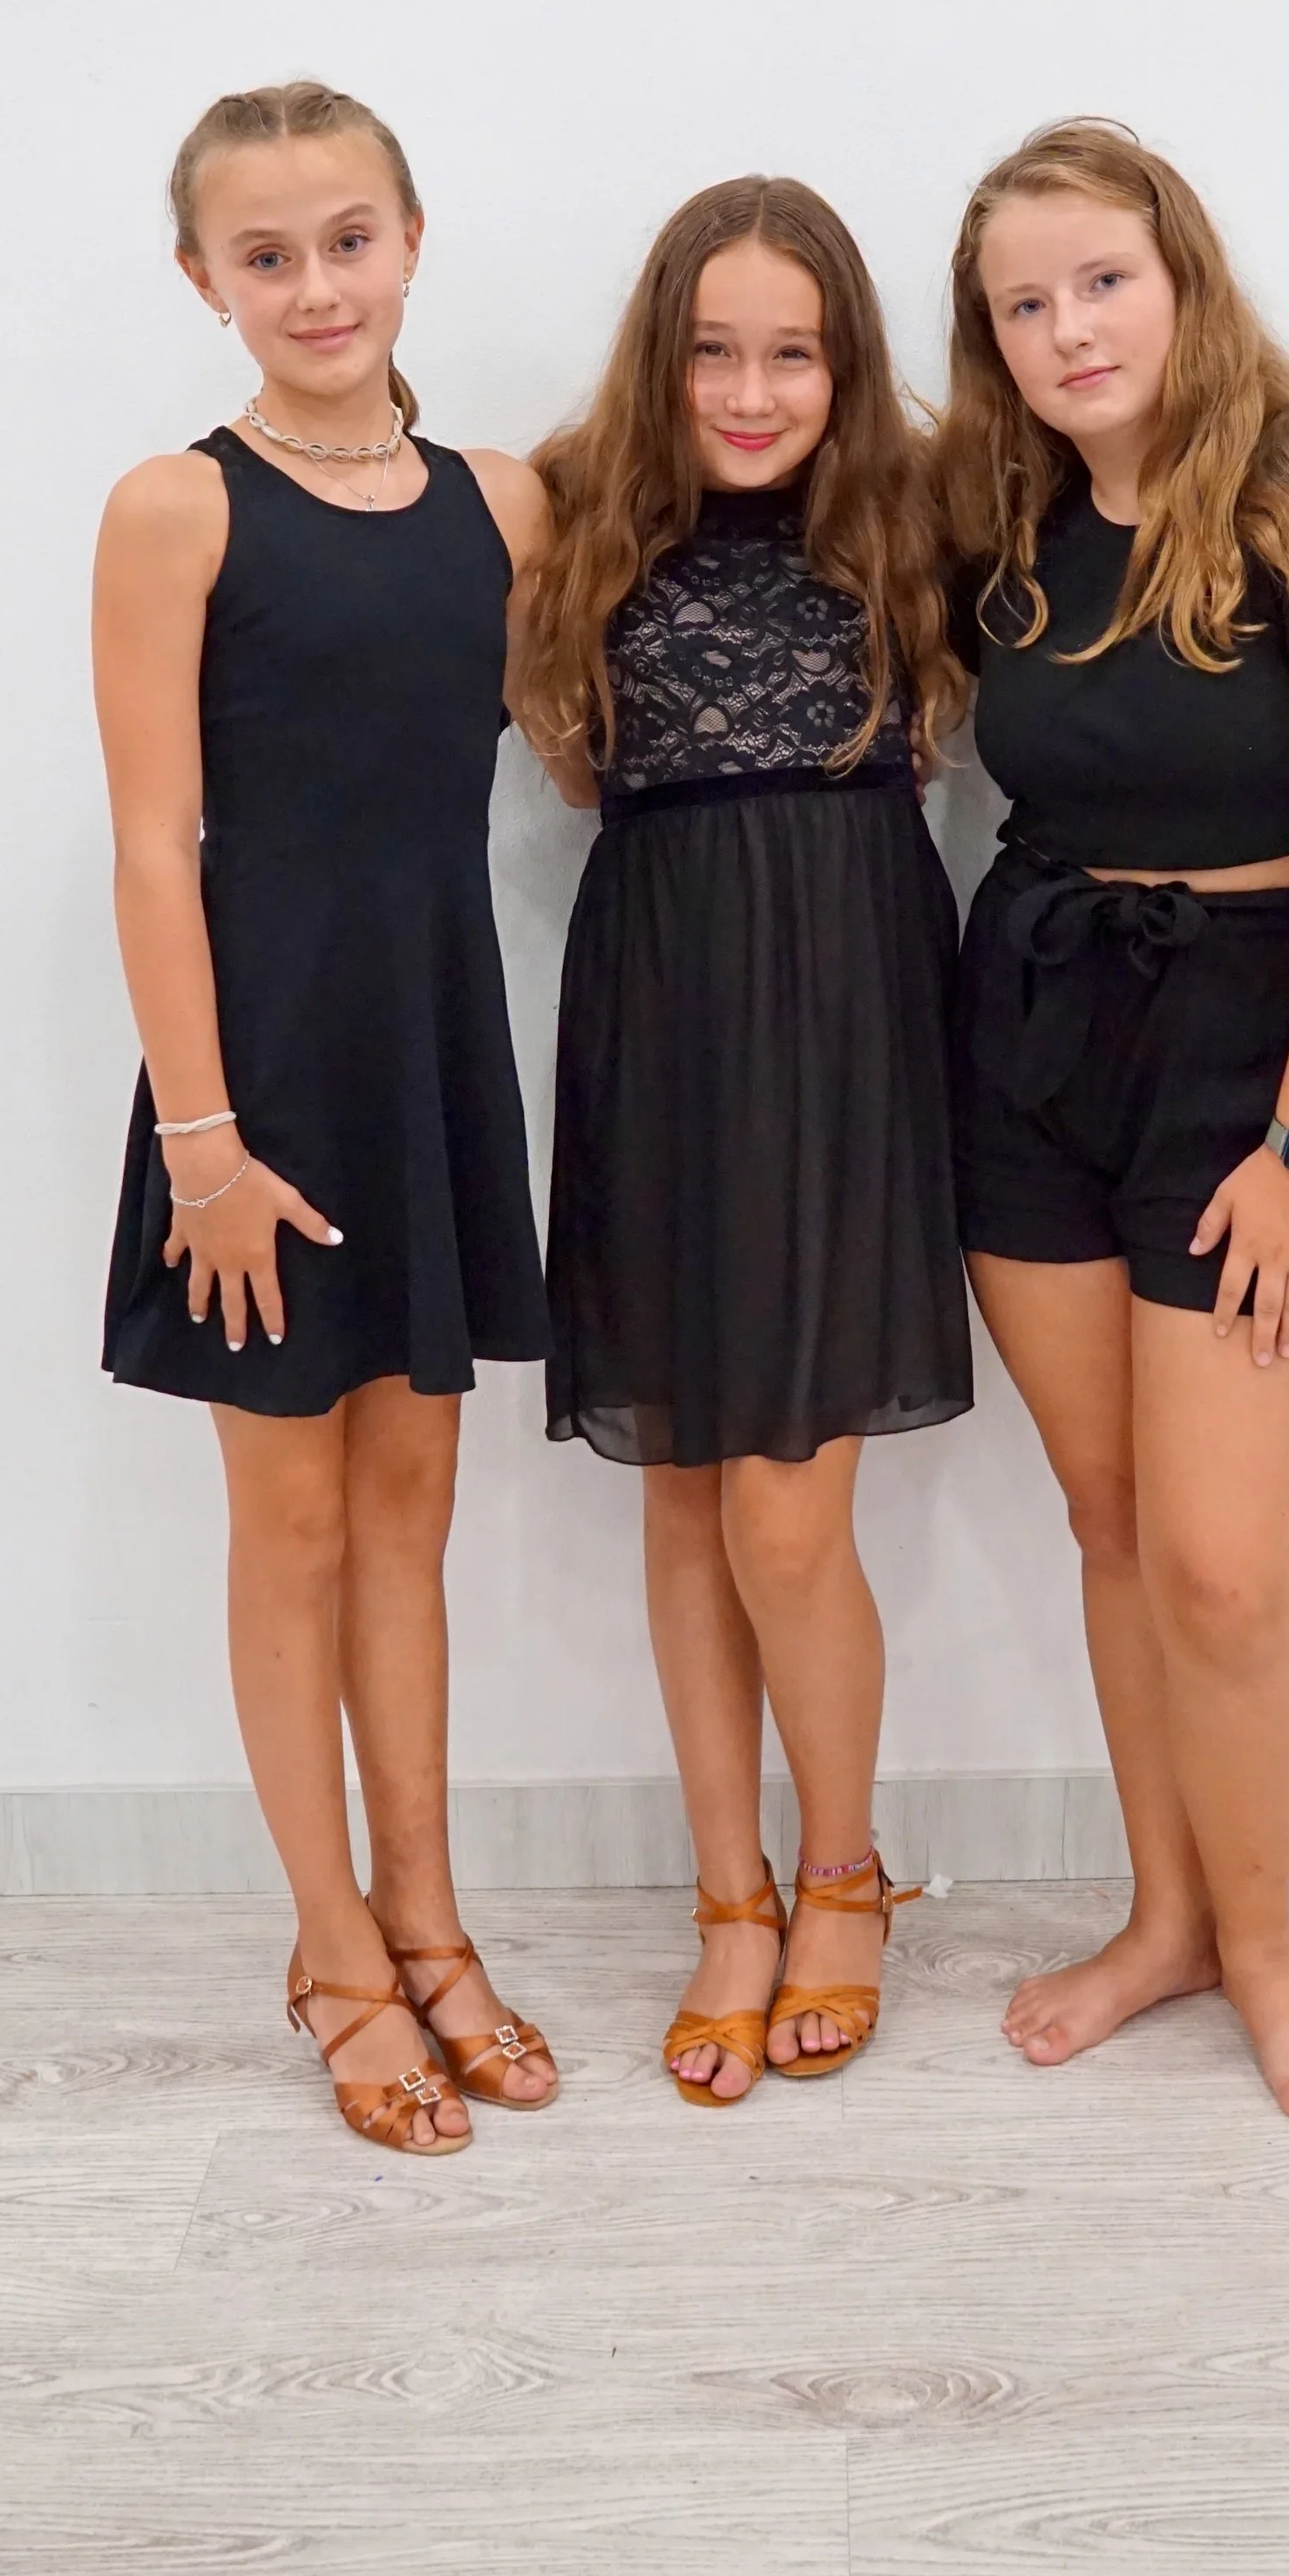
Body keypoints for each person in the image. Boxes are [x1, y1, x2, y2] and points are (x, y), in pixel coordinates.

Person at [938, 119, 1289, 2124]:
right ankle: (1160, 1922)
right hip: (1034, 1019)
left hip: (1253, 1048)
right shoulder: (1008, 520)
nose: (1068, 330)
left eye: (1101, 281)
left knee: (1225, 1570)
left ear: (1181, 275)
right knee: (1113, 1523)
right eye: (1023, 304)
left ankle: (1262, 1949)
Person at [94, 78, 559, 2154]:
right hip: (258, 1079)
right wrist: (200, 1143)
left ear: (411, 239)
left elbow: (574, 735)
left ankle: (430, 1922)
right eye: (263, 253)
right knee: (287, 1520)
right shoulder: (175, 510)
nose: (312, 285)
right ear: (202, 276)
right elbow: (150, 844)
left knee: (411, 1512)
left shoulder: (504, 503)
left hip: (431, 1055)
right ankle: (334, 1954)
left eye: (346, 239)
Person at [521, 178, 970, 2104]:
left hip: (853, 1014)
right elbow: (571, 760)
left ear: (845, 364)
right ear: (661, 353)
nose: (752, 390)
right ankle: (730, 1898)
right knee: (685, 1493)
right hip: (659, 1004)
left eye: (793, 352)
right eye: (713, 349)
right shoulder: (568, 510)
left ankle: (845, 1877)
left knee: (788, 1506)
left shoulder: (926, 512)